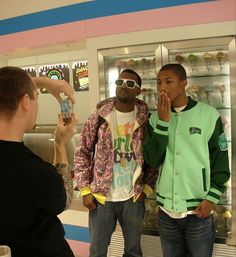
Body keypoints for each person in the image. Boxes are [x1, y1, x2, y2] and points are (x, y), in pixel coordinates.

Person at [143, 63, 230, 257]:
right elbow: (152, 159)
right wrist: (163, 123)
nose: (162, 87)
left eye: (168, 81)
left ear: (184, 83)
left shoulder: (208, 115)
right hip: (166, 212)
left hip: (198, 210)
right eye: (158, 83)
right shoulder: (154, 119)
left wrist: (211, 198)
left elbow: (220, 160)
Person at [73, 68, 157, 257]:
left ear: (138, 91)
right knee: (97, 251)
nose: (123, 87)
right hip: (102, 198)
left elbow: (153, 156)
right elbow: (82, 153)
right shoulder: (99, 117)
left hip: (132, 199)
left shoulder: (145, 119)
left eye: (130, 84)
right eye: (119, 82)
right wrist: (85, 190)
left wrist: (147, 188)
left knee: (133, 251)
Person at [0, 66, 77, 257]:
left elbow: (7, 86)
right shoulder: (37, 173)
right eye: (36, 97)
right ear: (26, 101)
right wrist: (60, 145)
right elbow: (64, 199)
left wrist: (43, 83)